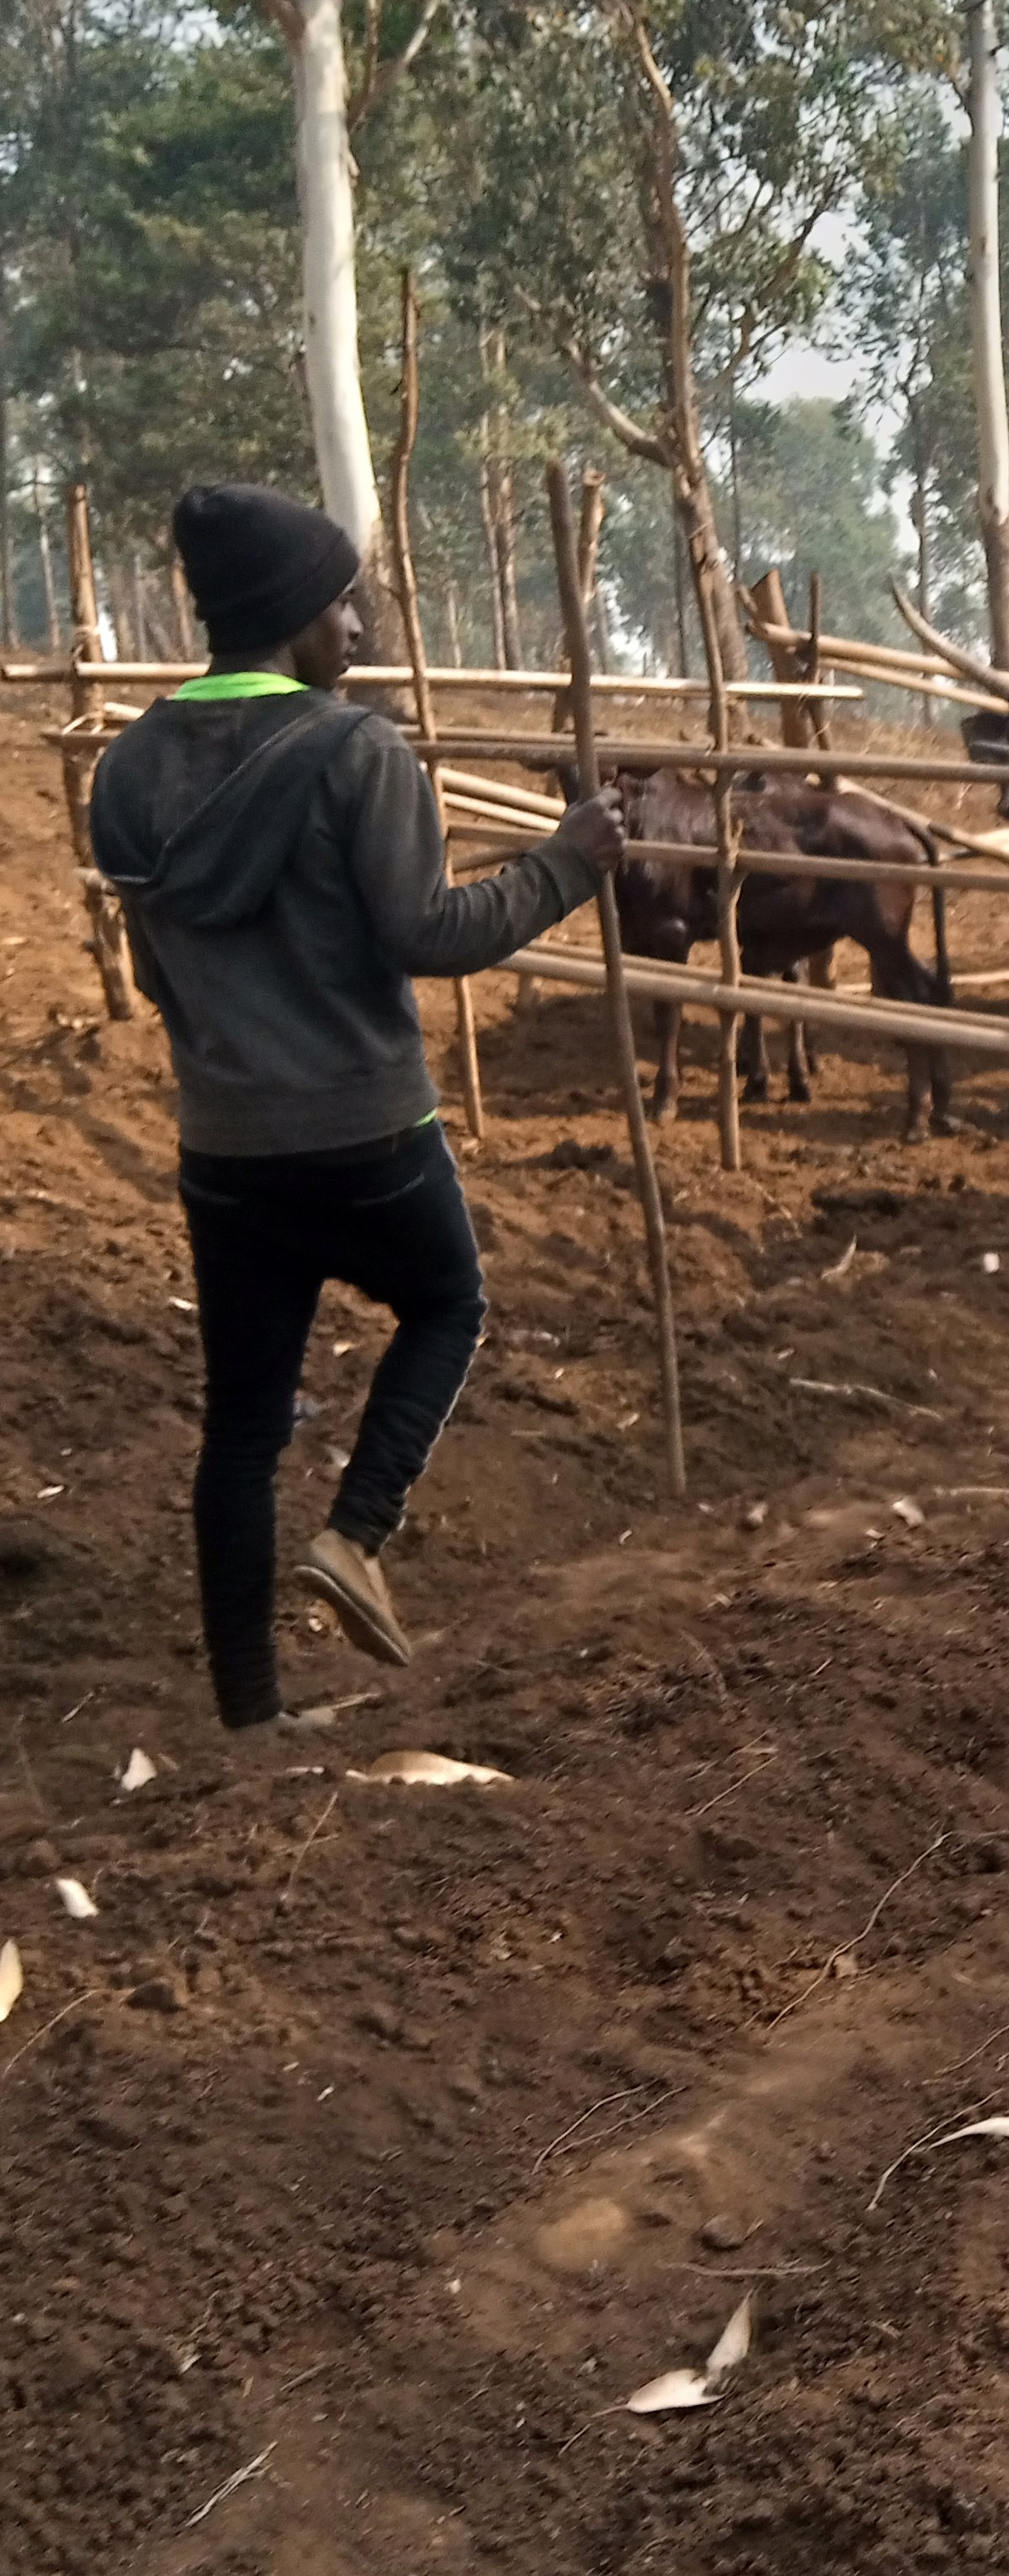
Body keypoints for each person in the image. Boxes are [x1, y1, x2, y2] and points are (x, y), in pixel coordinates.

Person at [89, 481, 625, 1732]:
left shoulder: (127, 767)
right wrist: (567, 865)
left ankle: (250, 1716)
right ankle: (356, 1534)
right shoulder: (356, 751)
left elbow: (157, 966)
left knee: (240, 1425)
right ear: (294, 617)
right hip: (369, 1130)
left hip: (224, 1146)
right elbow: (429, 934)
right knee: (449, 1303)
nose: (360, 625)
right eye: (343, 602)